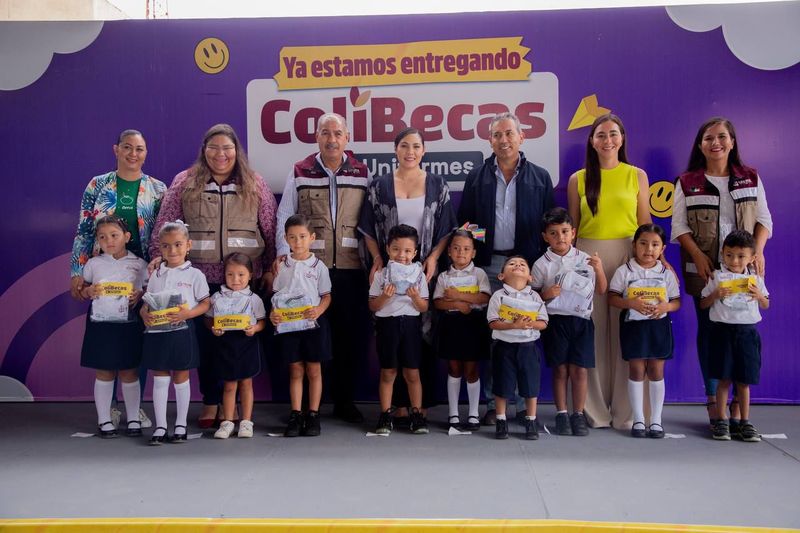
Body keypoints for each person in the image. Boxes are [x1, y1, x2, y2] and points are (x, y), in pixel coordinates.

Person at [151, 124, 277, 428]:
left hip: (245, 279)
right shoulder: (185, 182)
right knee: (208, 345)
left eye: (227, 148)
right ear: (203, 150)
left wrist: (272, 267)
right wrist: (157, 254)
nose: (221, 155)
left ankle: (235, 407)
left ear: (237, 151)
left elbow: (270, 227)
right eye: (214, 148)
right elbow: (165, 225)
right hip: (199, 280)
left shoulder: (254, 183)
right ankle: (211, 401)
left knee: (240, 344)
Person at [671, 117, 772, 428]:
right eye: (708, 138)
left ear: (732, 142)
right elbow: (679, 226)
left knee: (741, 334)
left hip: (743, 269)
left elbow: (764, 220)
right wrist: (699, 256)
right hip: (705, 268)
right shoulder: (687, 181)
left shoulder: (750, 178)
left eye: (721, 137)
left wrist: (757, 251)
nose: (715, 143)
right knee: (711, 333)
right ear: (700, 145)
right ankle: (714, 402)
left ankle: (740, 411)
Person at [458, 112, 555, 425]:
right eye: (497, 135)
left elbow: (548, 226)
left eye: (509, 134)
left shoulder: (540, 177)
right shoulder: (477, 177)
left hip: (525, 265)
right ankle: (495, 405)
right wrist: (484, 241)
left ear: (521, 137)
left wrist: (530, 261)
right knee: (496, 336)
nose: (503, 140)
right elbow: (468, 223)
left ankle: (523, 409)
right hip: (488, 265)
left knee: (524, 333)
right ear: (490, 141)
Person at [275, 113, 369, 424]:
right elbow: (285, 214)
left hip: (351, 269)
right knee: (306, 337)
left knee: (349, 339)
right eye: (325, 133)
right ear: (317, 137)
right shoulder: (300, 171)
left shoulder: (361, 171)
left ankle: (344, 401)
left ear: (347, 138)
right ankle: (308, 408)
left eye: (337, 133)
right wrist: (281, 254)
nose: (331, 139)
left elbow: (370, 222)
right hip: (308, 270)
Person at [359, 126, 457, 422]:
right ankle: (395, 406)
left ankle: (419, 405)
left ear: (424, 151)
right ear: (395, 150)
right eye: (404, 146)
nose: (410, 152)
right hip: (389, 271)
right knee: (392, 335)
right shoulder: (379, 186)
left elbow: (446, 228)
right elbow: (367, 227)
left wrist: (434, 260)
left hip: (422, 271)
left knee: (420, 332)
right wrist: (378, 259)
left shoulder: (438, 185)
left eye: (415, 146)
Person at [71, 129, 166, 429]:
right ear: (116, 149)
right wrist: (77, 271)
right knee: (108, 339)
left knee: (135, 342)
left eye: (139, 149)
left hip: (141, 275)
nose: (133, 154)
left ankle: (134, 409)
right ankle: (109, 409)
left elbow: (161, 234)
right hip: (104, 273)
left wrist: (156, 273)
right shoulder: (98, 185)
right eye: (127, 147)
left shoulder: (157, 188)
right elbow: (85, 230)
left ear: (146, 153)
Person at [567, 113, 651, 430]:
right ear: (592, 141)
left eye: (613, 134)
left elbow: (645, 224)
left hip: (630, 253)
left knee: (626, 330)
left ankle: (630, 412)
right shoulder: (578, 179)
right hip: (588, 256)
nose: (608, 140)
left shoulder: (637, 176)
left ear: (622, 138)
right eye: (601, 135)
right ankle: (594, 410)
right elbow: (572, 228)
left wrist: (653, 259)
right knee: (592, 331)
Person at [532, 207, 607, 437]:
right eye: (553, 233)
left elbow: (602, 290)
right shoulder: (540, 264)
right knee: (560, 370)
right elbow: (532, 296)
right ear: (545, 236)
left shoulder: (586, 259)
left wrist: (600, 268)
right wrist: (546, 294)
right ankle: (562, 413)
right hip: (556, 322)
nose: (560, 238)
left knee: (580, 370)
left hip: (582, 321)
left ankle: (578, 414)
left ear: (573, 233)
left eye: (564, 232)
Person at [608, 224, 681, 438]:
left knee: (657, 371)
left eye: (655, 245)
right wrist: (630, 303)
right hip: (633, 327)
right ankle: (638, 419)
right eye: (643, 243)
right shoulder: (624, 271)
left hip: (658, 327)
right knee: (637, 370)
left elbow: (676, 302)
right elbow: (612, 298)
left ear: (662, 249)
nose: (648, 249)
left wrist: (665, 307)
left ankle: (655, 420)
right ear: (634, 245)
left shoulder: (666, 273)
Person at [141, 221, 210, 445]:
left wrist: (187, 314)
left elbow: (205, 304)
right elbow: (146, 303)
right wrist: (145, 315)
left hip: (182, 331)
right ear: (159, 248)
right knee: (160, 379)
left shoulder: (195, 275)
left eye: (178, 244)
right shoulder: (155, 275)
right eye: (166, 246)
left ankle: (180, 425)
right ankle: (160, 426)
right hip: (158, 332)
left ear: (188, 245)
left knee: (181, 377)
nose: (172, 251)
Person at [78, 216, 148, 438]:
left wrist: (141, 295)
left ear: (127, 237)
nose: (108, 240)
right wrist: (88, 292)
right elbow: (83, 289)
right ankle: (104, 420)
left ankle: (134, 418)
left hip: (128, 323)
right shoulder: (93, 263)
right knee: (104, 371)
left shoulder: (139, 264)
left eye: (114, 235)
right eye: (102, 237)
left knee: (129, 370)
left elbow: (147, 291)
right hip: (101, 323)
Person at [700, 230, 769, 442]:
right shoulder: (717, 277)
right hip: (722, 331)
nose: (735, 260)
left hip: (747, 333)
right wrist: (715, 294)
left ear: (752, 258)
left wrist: (758, 295)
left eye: (741, 256)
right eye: (729, 255)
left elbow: (766, 304)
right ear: (722, 254)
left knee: (744, 381)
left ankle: (743, 421)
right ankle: (721, 420)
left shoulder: (755, 278)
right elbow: (703, 304)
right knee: (724, 379)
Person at [270, 214, 332, 437]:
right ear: (286, 239)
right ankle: (296, 414)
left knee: (314, 370)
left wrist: (319, 310)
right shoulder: (282, 266)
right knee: (295, 370)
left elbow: (326, 296)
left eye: (303, 237)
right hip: (289, 327)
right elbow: (276, 297)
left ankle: (313, 415)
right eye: (293, 237)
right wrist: (273, 315)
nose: (298, 242)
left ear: (312, 238)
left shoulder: (319, 266)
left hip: (313, 326)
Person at [369, 225, 430, 436]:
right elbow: (373, 306)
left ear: (414, 253)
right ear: (387, 249)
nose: (401, 255)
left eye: (406, 251)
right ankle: (385, 414)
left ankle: (416, 414)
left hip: (411, 325)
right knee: (388, 371)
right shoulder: (381, 275)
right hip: (388, 326)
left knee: (412, 372)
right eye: (396, 249)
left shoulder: (419, 275)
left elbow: (424, 307)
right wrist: (385, 296)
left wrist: (415, 297)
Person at [433, 228, 491, 431]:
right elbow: (438, 302)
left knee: (471, 369)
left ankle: (474, 414)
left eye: (466, 249)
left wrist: (458, 296)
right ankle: (453, 413)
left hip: (473, 325)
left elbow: (485, 298)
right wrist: (457, 305)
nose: (461, 253)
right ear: (449, 251)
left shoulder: (479, 273)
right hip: (451, 325)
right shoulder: (443, 276)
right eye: (456, 248)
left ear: (473, 252)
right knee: (454, 368)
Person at [486, 256, 549, 440]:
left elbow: (543, 322)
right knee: (502, 386)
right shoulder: (498, 296)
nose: (518, 265)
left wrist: (529, 325)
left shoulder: (535, 296)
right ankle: (501, 420)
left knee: (530, 386)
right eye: (512, 264)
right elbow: (493, 323)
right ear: (501, 275)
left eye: (523, 264)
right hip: (504, 348)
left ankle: (530, 420)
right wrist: (514, 325)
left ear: (530, 277)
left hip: (528, 348)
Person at [207, 253, 267, 440]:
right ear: (224, 275)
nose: (235, 279)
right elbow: (208, 319)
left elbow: (262, 321)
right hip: (225, 344)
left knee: (246, 384)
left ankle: (246, 422)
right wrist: (213, 329)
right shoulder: (216, 297)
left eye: (241, 274)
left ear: (250, 275)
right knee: (229, 385)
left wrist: (255, 328)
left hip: (246, 344)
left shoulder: (254, 298)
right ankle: (227, 422)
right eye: (230, 274)